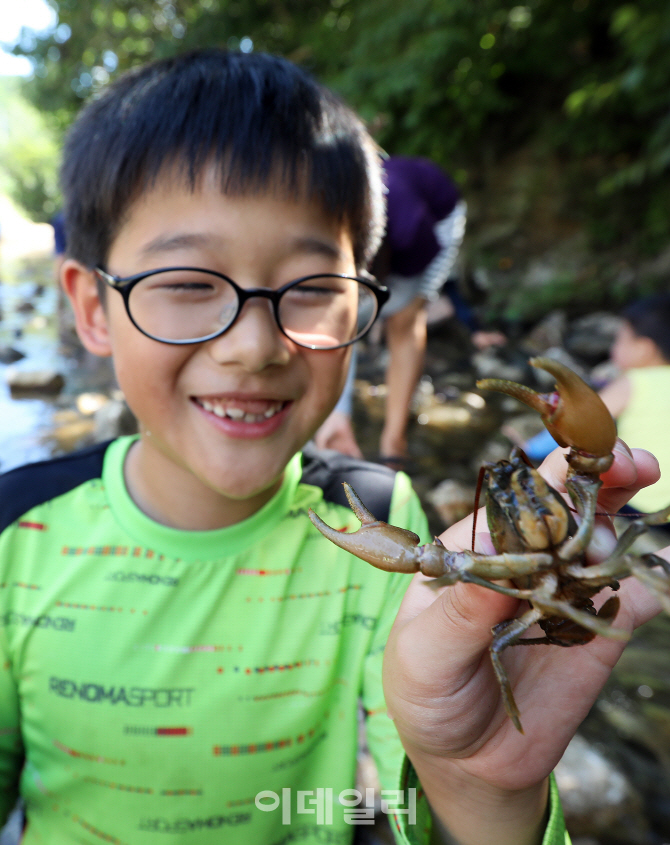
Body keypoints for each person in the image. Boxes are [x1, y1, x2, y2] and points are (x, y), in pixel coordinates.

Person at [0, 48, 663, 845]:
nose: (253, 346)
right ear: (93, 307)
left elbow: (423, 786)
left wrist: (477, 789)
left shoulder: (387, 516)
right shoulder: (16, 530)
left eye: (313, 289)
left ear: (363, 311)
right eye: (185, 282)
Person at [315, 156, 505, 466]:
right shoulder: (320, 222)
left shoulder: (410, 229)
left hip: (437, 215)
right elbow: (337, 326)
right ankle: (336, 425)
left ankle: (395, 439)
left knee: (404, 321)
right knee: (340, 318)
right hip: (380, 234)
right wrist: (338, 413)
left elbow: (414, 305)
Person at [521, 294, 670, 517]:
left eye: (620, 339)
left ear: (644, 349)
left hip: (637, 498)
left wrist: (529, 448)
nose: (614, 348)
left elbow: (576, 422)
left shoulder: (636, 381)